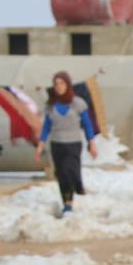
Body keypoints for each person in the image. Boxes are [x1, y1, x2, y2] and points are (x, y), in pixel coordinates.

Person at [34, 71, 97, 215]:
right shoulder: (51, 105)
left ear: (68, 85)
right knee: (62, 174)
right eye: (56, 84)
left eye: (62, 83)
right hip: (57, 144)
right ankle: (67, 203)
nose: (59, 87)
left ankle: (78, 187)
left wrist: (91, 142)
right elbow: (46, 127)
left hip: (73, 143)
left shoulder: (78, 103)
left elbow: (87, 124)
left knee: (71, 170)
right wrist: (40, 145)